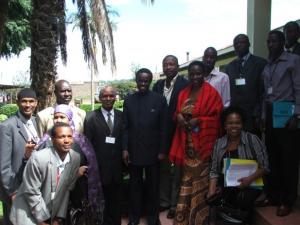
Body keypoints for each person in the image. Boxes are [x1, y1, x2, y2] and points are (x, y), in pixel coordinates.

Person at [169, 61, 223, 225]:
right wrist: (177, 116)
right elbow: (178, 112)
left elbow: (217, 118)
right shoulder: (183, 92)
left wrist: (199, 121)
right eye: (192, 74)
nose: (195, 77)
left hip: (203, 146)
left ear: (203, 74)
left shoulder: (212, 93)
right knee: (186, 180)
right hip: (187, 144)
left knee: (201, 183)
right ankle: (183, 217)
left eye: (198, 73)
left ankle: (199, 219)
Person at [38, 104, 104, 224]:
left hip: (76, 193)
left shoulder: (81, 140)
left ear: (69, 118)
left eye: (62, 117)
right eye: (56, 117)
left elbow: (89, 164)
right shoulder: (46, 141)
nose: (58, 120)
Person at [261, 30, 300, 216]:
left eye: (274, 41)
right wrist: (262, 116)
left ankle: (287, 200)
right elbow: (265, 94)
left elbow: (299, 88)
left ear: (282, 42)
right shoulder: (268, 65)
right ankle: (274, 196)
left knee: (288, 159)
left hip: (287, 113)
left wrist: (297, 115)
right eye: (268, 42)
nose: (270, 45)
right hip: (270, 113)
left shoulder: (293, 60)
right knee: (273, 157)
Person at [10, 123, 81, 225]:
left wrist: (58, 217)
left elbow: (67, 190)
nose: (67, 140)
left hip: (49, 211)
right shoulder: (38, 159)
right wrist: (42, 220)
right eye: (62, 137)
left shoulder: (75, 158)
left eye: (69, 136)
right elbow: (32, 192)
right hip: (27, 212)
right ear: (52, 140)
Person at [208, 106, 269, 223]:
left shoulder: (252, 140)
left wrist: (248, 180)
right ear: (225, 126)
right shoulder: (219, 143)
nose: (234, 126)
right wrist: (211, 191)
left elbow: (265, 166)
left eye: (237, 123)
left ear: (242, 124)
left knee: (242, 200)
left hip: (251, 183)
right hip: (227, 183)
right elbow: (214, 171)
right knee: (214, 199)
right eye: (230, 123)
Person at [123, 68, 167, 225]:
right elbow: (125, 127)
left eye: (146, 80)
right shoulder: (128, 100)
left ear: (150, 81)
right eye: (140, 80)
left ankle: (152, 218)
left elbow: (164, 128)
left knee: (152, 188)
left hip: (154, 152)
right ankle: (133, 218)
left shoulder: (159, 100)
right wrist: (125, 149)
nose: (143, 83)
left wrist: (162, 151)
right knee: (134, 187)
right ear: (136, 81)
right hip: (134, 152)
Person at [152, 55, 189, 218]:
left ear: (178, 66)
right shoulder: (158, 85)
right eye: (165, 64)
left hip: (179, 133)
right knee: (164, 170)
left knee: (178, 171)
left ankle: (175, 204)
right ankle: (164, 201)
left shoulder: (185, 84)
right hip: (161, 135)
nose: (168, 67)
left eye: (171, 64)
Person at [84, 85, 123, 225]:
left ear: (115, 97)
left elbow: (124, 139)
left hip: (118, 168)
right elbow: (87, 145)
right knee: (102, 203)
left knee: (116, 201)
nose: (108, 98)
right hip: (99, 168)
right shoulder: (90, 117)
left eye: (111, 95)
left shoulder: (121, 115)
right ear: (99, 98)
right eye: (104, 96)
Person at [0, 88, 39, 225]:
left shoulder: (37, 122)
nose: (28, 105)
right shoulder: (7, 127)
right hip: (16, 189)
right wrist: (12, 192)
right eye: (24, 101)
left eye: (31, 101)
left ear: (36, 103)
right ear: (17, 103)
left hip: (35, 189)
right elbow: (3, 166)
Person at [226, 34, 267, 135]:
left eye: (242, 42)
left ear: (249, 44)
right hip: (235, 115)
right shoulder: (230, 66)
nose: (239, 45)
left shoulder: (260, 63)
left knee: (252, 145)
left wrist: (259, 114)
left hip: (253, 115)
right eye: (236, 43)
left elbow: (263, 91)